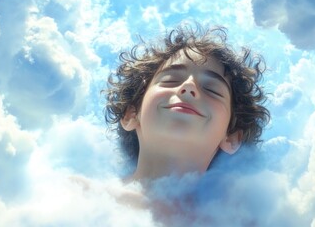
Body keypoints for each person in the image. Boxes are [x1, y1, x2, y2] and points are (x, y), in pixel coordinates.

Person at [104, 23, 269, 184]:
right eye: (170, 80)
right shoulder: (80, 196)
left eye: (212, 90)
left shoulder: (263, 211)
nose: (189, 87)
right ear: (130, 115)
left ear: (232, 137)